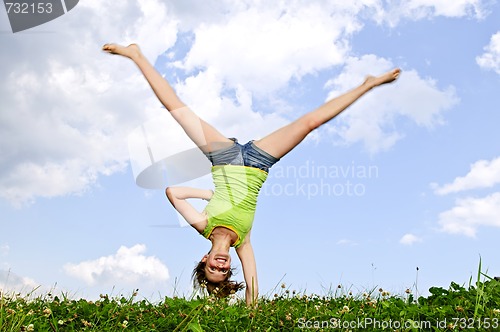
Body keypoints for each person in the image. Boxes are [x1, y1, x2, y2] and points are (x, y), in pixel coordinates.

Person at [103, 43, 400, 306]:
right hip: (258, 162)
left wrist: (211, 194)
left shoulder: (202, 224)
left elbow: (172, 191)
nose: (220, 267)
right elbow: (253, 285)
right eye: (223, 271)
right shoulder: (243, 242)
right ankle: (368, 85)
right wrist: (251, 313)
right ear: (228, 265)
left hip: (224, 158)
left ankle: (136, 55)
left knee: (178, 111)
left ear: (204, 260)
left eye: (212, 269)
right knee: (310, 123)